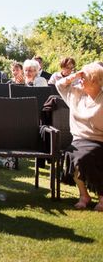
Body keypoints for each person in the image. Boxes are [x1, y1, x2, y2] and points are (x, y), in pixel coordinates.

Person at [56, 63, 103, 211]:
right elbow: (59, 85)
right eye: (80, 77)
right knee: (72, 154)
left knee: (85, 156)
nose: (80, 80)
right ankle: (84, 195)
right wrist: (74, 76)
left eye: (84, 78)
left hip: (99, 140)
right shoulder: (75, 93)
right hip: (79, 140)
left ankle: (101, 196)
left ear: (95, 81)